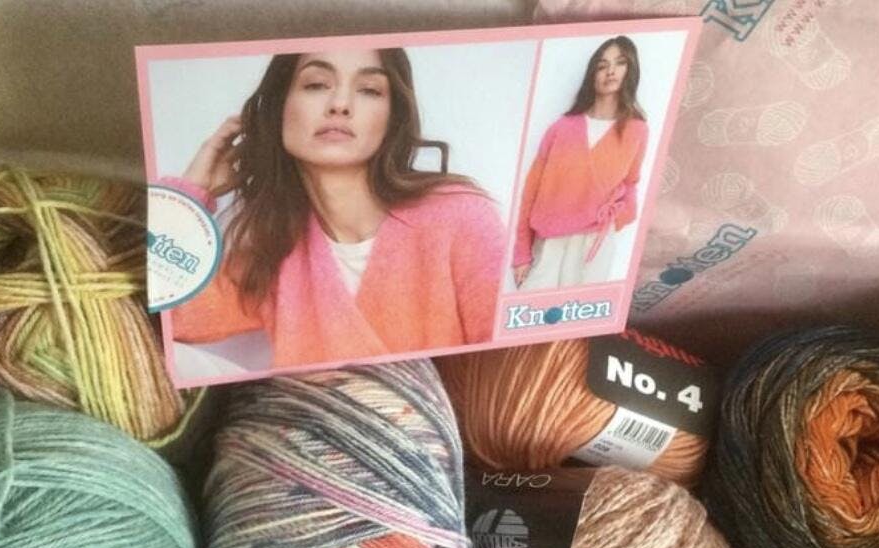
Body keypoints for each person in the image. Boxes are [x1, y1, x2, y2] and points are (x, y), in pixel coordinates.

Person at [164, 48, 505, 368]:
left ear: (392, 117)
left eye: (369, 90)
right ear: (279, 107)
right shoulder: (274, 251)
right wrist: (191, 193)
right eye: (316, 85)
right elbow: (170, 316)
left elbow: (506, 362)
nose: (340, 104)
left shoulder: (461, 215)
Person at [513, 36, 648, 291]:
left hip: (595, 243)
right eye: (602, 65)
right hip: (550, 241)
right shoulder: (561, 128)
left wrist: (619, 218)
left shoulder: (637, 129)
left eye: (620, 63)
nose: (610, 71)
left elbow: (631, 182)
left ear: (630, 69)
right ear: (592, 74)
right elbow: (530, 193)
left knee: (578, 314)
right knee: (534, 308)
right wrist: (521, 253)